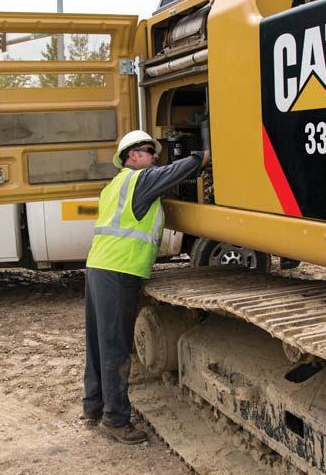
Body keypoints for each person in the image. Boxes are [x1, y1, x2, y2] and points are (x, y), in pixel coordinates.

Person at [82, 130, 210, 445]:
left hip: (99, 267)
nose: (156, 157)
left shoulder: (114, 185)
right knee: (115, 347)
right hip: (119, 270)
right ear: (133, 155)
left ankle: (94, 407)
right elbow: (173, 172)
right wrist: (203, 157)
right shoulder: (139, 180)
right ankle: (115, 420)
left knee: (99, 344)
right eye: (150, 152)